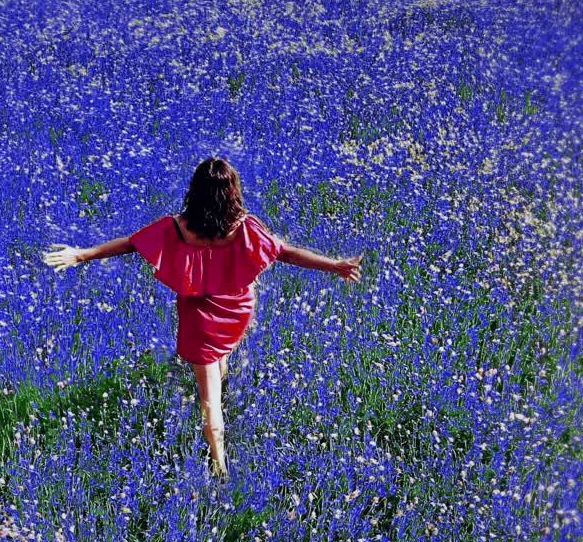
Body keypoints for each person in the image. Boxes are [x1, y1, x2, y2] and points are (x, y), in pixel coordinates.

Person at [43, 157, 363, 480]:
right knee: (219, 361)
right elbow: (286, 252)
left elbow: (130, 244)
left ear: (195, 191)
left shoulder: (178, 228)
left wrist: (81, 254)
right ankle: (220, 375)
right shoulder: (244, 227)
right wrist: (334, 266)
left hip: (199, 319)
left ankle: (219, 467)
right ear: (232, 193)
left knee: (210, 398)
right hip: (237, 311)